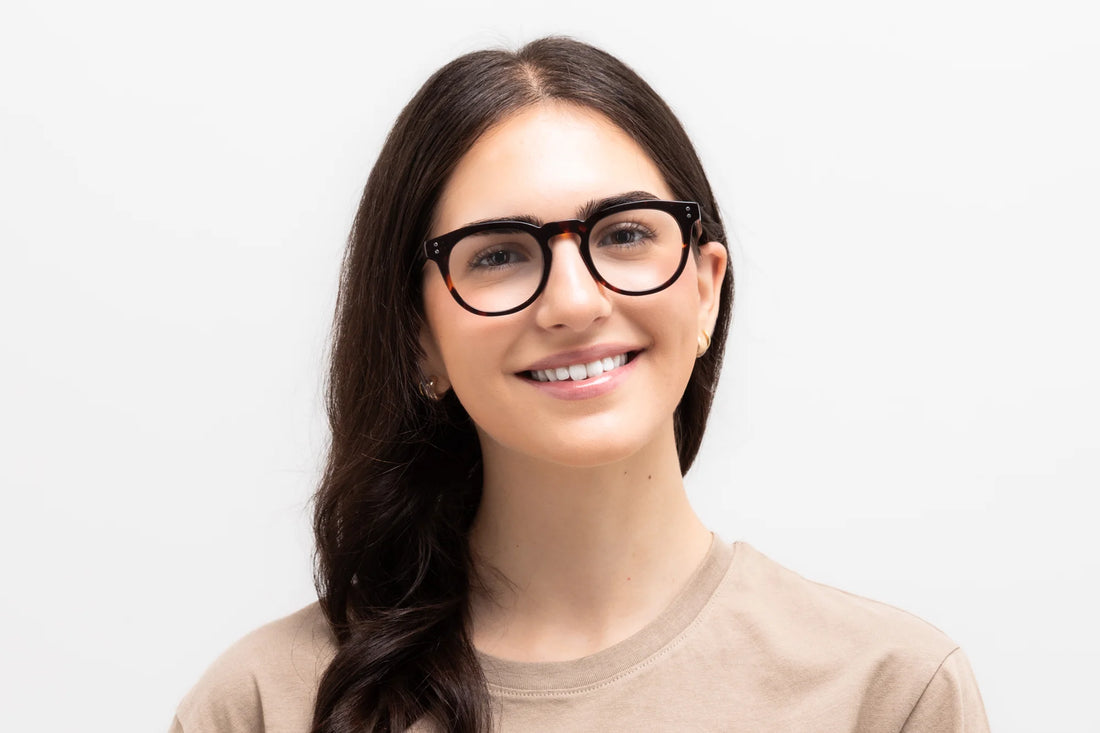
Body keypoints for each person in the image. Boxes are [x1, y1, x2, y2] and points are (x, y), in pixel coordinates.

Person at [170, 37, 989, 733]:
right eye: (498, 253)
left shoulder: (889, 692)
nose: (573, 301)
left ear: (705, 289)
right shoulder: (265, 704)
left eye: (625, 233)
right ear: (418, 336)